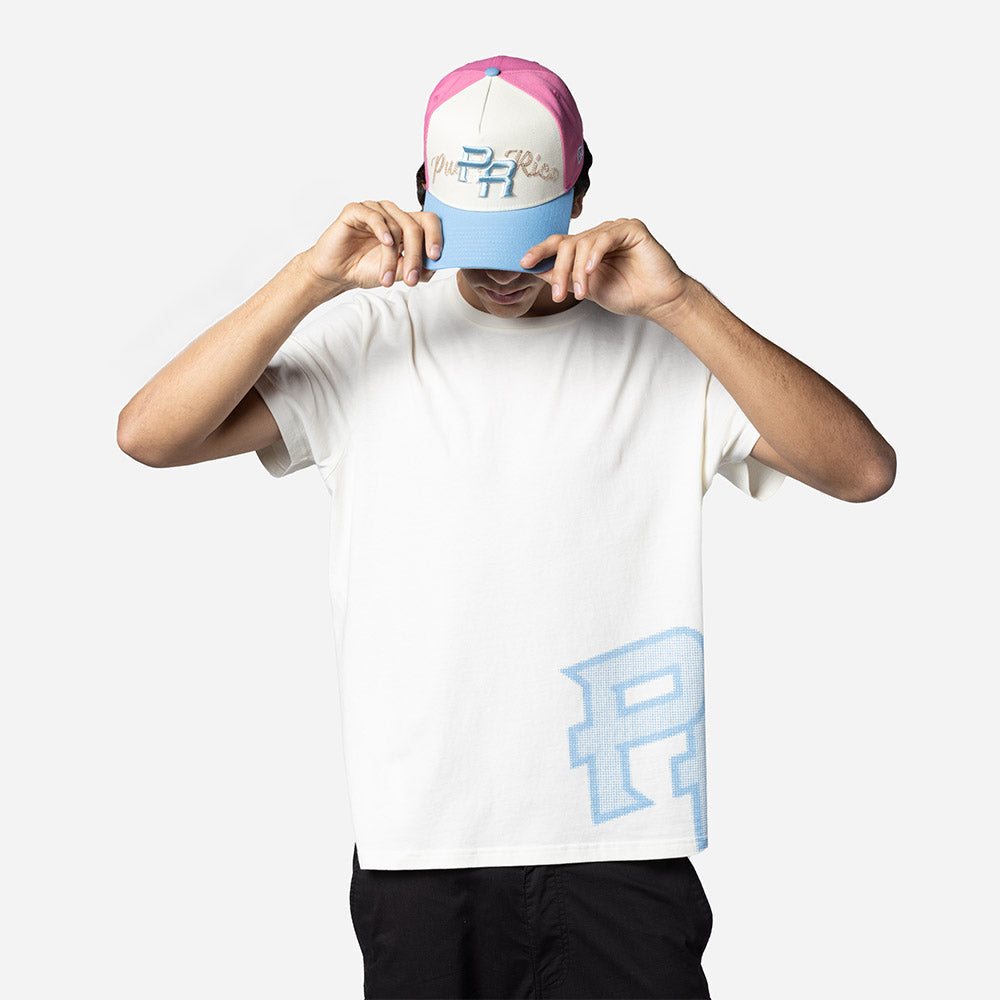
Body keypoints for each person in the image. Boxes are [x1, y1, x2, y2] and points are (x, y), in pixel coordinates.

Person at [118, 55, 896, 999]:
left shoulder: (664, 350)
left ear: (580, 195)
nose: (496, 272)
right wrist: (308, 280)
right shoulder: (370, 340)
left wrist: (680, 302)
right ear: (423, 197)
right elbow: (151, 435)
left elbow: (862, 471)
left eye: (522, 237)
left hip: (621, 839)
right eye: (474, 237)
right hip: (423, 844)